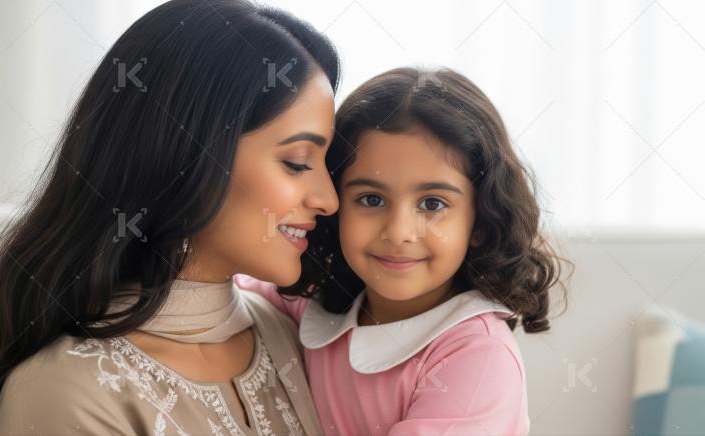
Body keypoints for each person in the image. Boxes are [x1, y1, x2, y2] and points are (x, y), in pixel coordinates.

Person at [0, 0, 341, 434]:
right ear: (185, 154)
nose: (328, 199)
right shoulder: (68, 389)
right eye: (297, 162)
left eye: (327, 163)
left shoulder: (294, 335)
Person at [238, 67, 571, 435]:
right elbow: (218, 301)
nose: (398, 232)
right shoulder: (314, 305)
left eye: (432, 204)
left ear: (479, 223)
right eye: (371, 199)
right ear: (336, 205)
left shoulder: (478, 356)